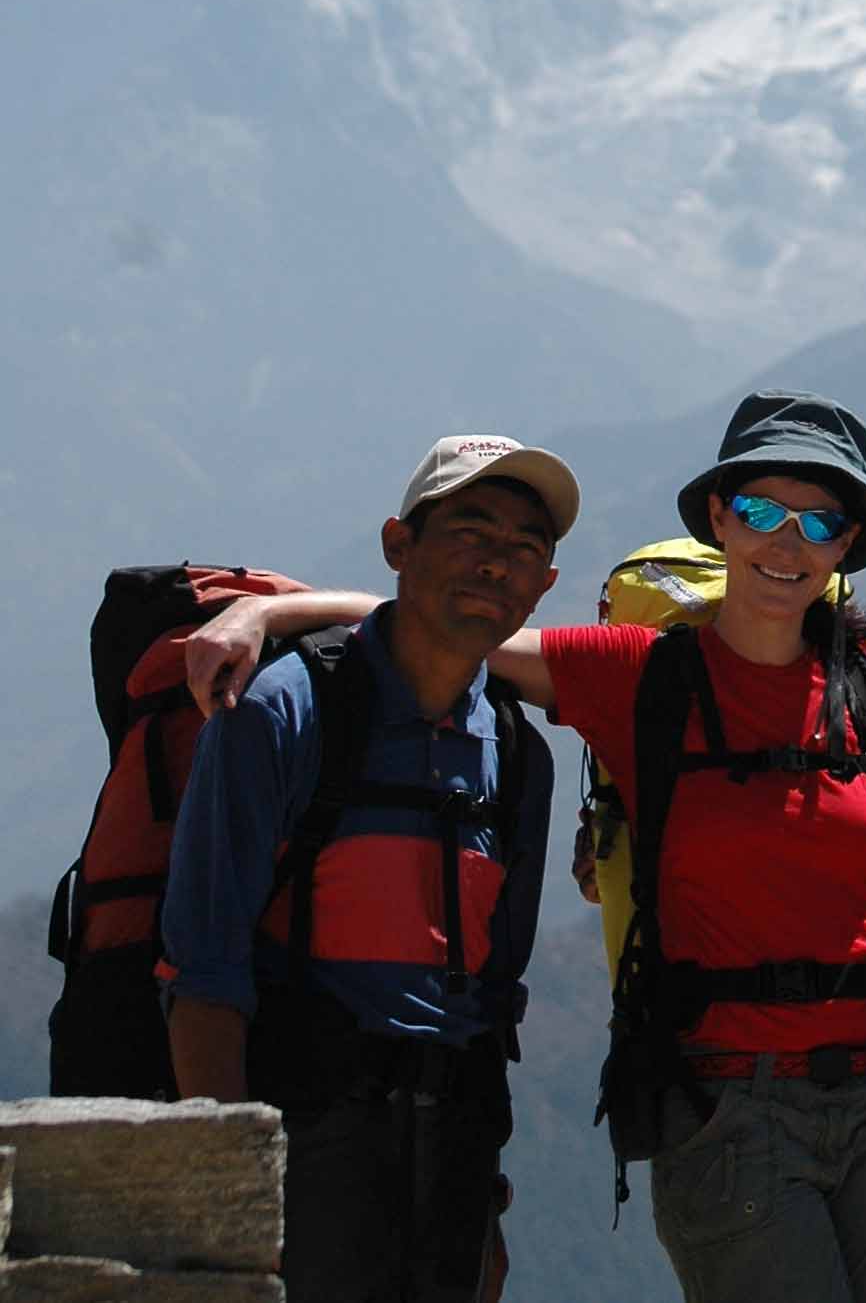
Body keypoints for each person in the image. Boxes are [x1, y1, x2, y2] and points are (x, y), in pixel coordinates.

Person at [186, 395, 866, 1303]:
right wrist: (269, 618)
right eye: (762, 509)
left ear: (847, 547)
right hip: (729, 1103)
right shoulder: (633, 676)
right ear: (719, 518)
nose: (786, 542)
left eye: (819, 524)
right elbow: (440, 620)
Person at [162, 434, 576, 1303]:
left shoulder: (516, 755)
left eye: (524, 547)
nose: (495, 562)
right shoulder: (280, 711)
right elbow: (204, 966)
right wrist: (229, 1193)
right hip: (306, 1136)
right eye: (470, 528)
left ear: (544, 587)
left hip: (451, 1153)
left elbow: (491, 992)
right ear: (398, 544)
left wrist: (485, 1211)